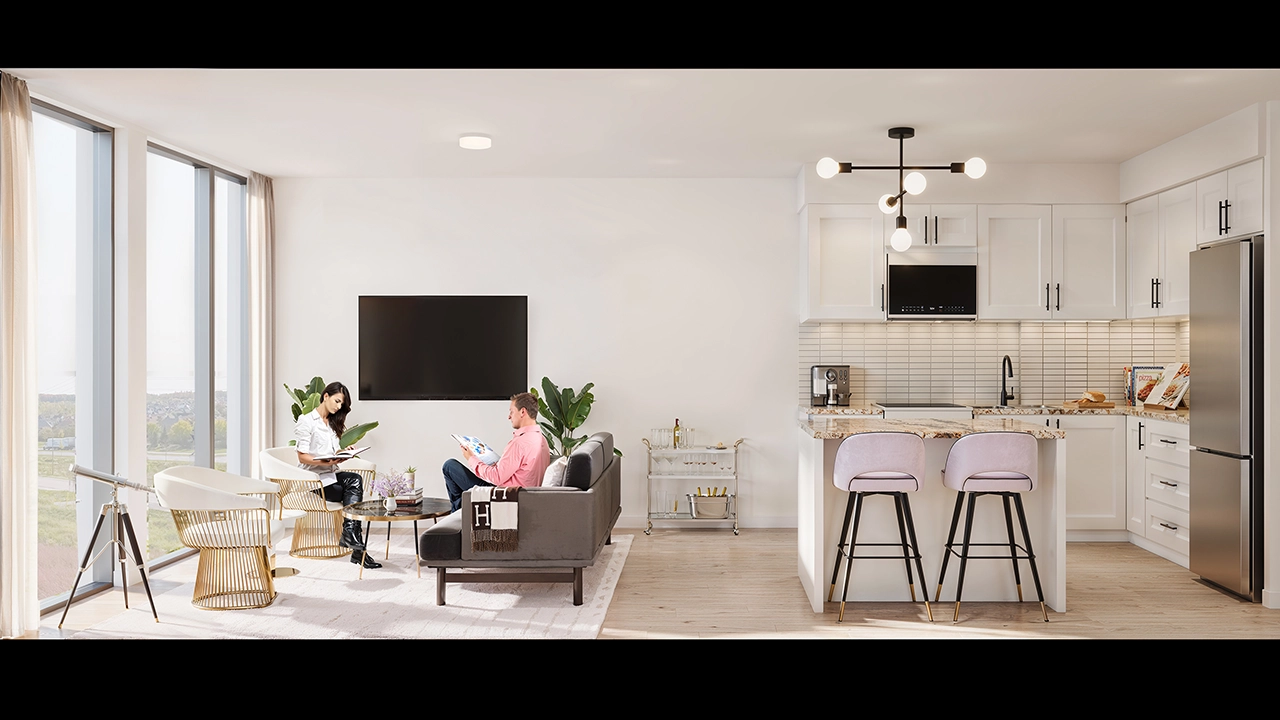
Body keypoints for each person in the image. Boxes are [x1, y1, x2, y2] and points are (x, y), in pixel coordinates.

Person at [294, 380, 381, 569]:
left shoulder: (332, 424)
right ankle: (357, 550)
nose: (339, 406)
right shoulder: (306, 421)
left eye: (342, 404)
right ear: (326, 396)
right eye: (337, 401)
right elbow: (302, 457)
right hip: (314, 480)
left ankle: (351, 537)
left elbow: (331, 453)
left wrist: (342, 453)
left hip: (331, 473)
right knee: (351, 494)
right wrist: (324, 462)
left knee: (354, 481)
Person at [442, 392, 550, 513]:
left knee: (449, 466)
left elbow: (496, 478)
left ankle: (457, 513)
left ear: (522, 412)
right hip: (522, 495)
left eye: (511, 412)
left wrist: (471, 458)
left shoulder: (520, 443)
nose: (509, 417)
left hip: (502, 495)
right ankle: (459, 511)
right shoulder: (542, 440)